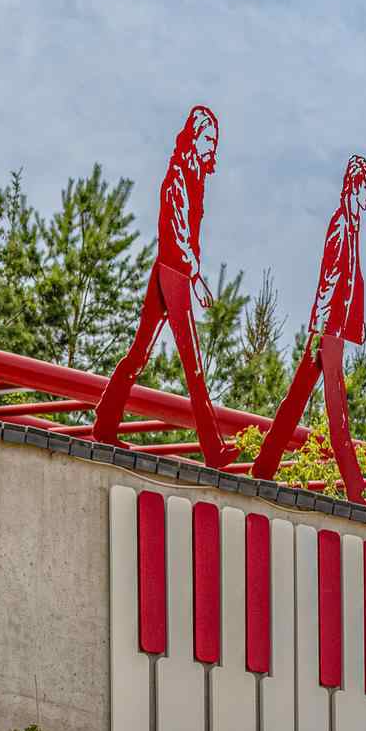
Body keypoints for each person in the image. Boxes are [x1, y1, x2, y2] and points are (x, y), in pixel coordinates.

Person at [91, 105, 235, 466]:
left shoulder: (195, 177)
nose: (212, 147)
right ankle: (213, 449)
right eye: (208, 139)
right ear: (193, 137)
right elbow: (178, 233)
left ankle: (105, 422)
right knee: (193, 366)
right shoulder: (178, 177)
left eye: (215, 141)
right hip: (173, 273)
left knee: (140, 353)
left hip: (172, 271)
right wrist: (196, 277)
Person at [252, 155, 366, 498]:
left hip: (333, 330)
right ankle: (354, 485)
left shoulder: (352, 226)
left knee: (296, 400)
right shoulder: (341, 224)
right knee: (337, 410)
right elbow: (330, 279)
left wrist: (351, 325)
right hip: (327, 332)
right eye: (365, 188)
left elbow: (351, 281)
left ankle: (265, 464)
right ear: (354, 186)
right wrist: (320, 327)